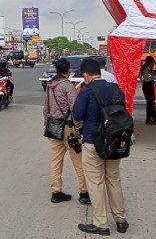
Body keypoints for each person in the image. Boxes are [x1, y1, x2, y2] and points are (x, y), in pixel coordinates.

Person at [73, 58, 129, 236]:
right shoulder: (115, 88)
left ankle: (101, 223)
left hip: (92, 142)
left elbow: (77, 114)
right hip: (114, 141)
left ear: (86, 75)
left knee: (95, 183)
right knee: (114, 180)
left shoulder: (86, 90)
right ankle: (121, 220)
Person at [43, 58, 91, 205]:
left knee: (56, 161)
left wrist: (47, 125)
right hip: (68, 129)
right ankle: (84, 193)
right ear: (68, 71)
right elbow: (76, 110)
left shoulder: (49, 86)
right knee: (78, 162)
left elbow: (46, 109)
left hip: (53, 128)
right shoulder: (68, 86)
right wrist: (80, 128)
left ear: (56, 70)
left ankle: (56, 192)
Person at [141, 56, 156, 125]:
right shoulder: (145, 68)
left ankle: (154, 117)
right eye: (151, 62)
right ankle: (149, 119)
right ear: (148, 62)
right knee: (149, 103)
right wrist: (155, 77)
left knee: (152, 103)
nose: (152, 64)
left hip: (150, 87)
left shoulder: (149, 68)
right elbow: (147, 79)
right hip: (147, 87)